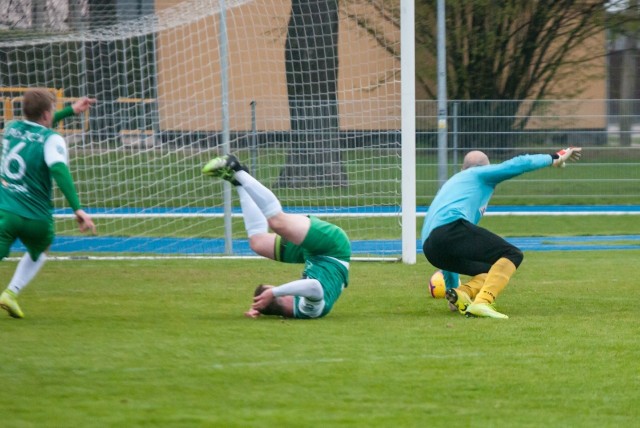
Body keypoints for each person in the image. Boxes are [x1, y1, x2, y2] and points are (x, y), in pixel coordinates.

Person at [421, 147, 582, 319]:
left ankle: (462, 293)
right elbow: (521, 163)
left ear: (462, 168)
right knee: (512, 254)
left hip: (431, 249)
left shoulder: (453, 184)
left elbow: (448, 250)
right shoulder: (478, 174)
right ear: (486, 168)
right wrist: (554, 158)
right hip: (450, 229)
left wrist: (451, 289)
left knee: (493, 269)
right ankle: (483, 302)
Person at [202, 154, 351, 319]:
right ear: (279, 298)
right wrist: (274, 292)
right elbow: (314, 286)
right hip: (332, 248)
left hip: (312, 256)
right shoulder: (308, 309)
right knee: (277, 222)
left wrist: (264, 305)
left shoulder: (296, 307)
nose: (279, 287)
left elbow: (297, 291)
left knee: (258, 243)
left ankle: (239, 182)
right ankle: (235, 167)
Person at [0, 89, 97, 319]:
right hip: (36, 218)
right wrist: (78, 208)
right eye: (52, 111)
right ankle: (10, 293)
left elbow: (37, 125)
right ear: (46, 114)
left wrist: (70, 110)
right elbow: (59, 170)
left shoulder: (11, 128)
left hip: (5, 212)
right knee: (41, 247)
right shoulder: (52, 139)